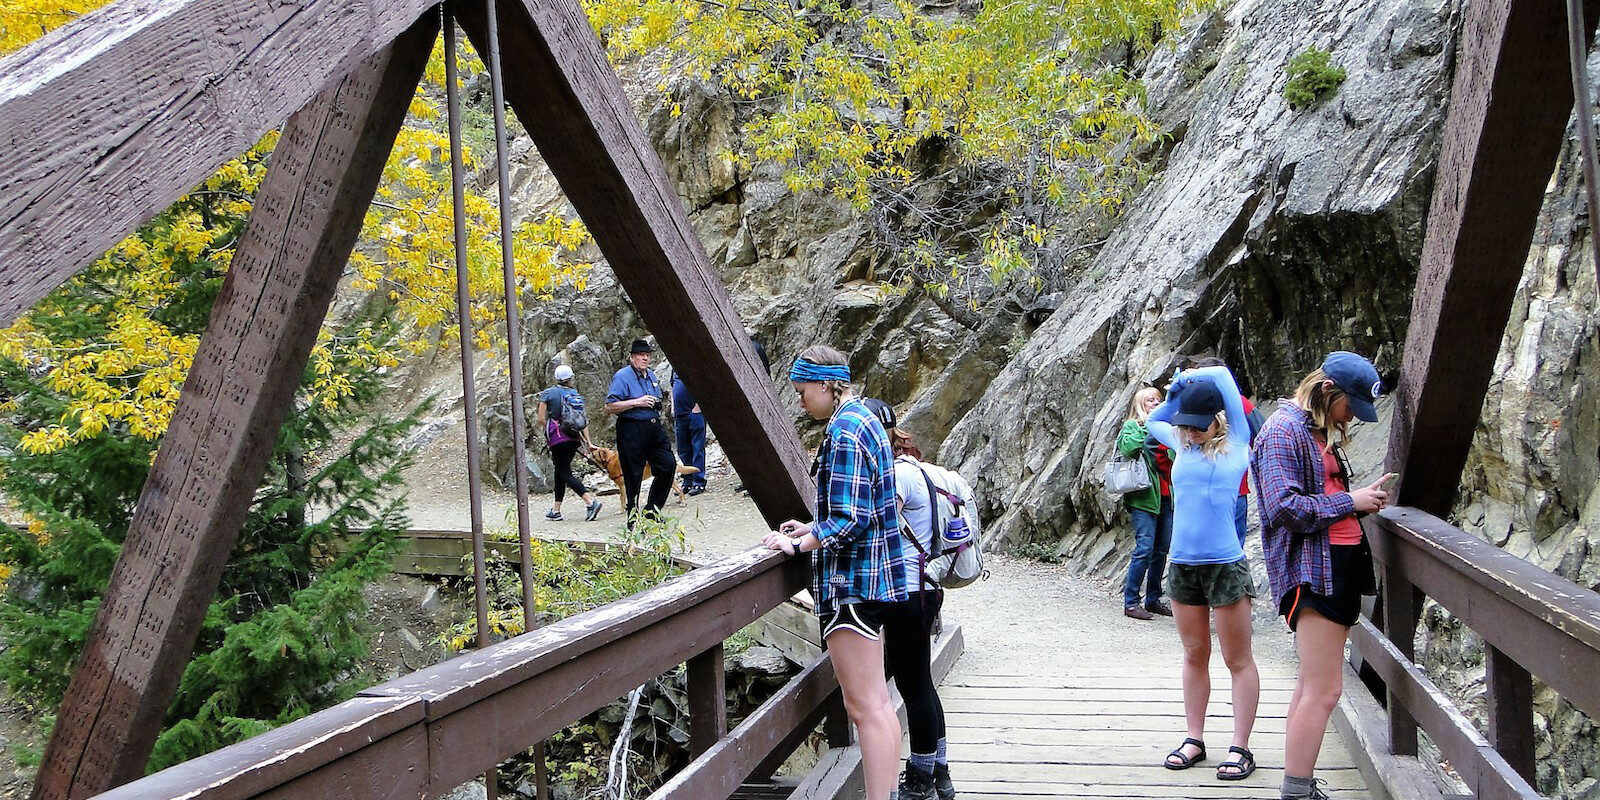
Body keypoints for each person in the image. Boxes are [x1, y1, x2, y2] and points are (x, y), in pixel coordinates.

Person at [763, 346, 906, 800]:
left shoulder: (844, 430)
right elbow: (855, 507)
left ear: (826, 384)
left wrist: (797, 543)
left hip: (852, 584)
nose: (801, 400)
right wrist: (813, 525)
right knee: (878, 705)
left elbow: (850, 518)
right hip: (875, 580)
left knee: (865, 708)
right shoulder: (865, 418)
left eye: (803, 390)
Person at [1251, 352, 1392, 800]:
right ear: (1327, 391)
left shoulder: (1313, 430)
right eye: (1349, 405)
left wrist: (1358, 498)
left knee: (1312, 686)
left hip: (1335, 566)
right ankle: (1296, 791)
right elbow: (1283, 508)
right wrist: (1352, 502)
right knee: (1326, 690)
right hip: (1314, 573)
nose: (1352, 416)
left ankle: (1300, 784)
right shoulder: (1281, 432)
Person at [1147, 365, 1261, 782]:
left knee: (1237, 658)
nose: (1191, 432)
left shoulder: (1238, 446)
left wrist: (1200, 375)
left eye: (1199, 426)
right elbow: (1154, 418)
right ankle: (1194, 738)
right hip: (1183, 566)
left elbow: (1227, 381)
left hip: (1225, 566)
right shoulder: (1180, 447)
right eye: (1186, 427)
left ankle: (1240, 746)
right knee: (1195, 655)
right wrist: (1179, 392)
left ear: (1218, 421)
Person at [864, 401, 955, 800]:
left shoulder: (895, 476)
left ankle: (920, 780)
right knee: (922, 683)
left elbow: (879, 528)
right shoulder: (921, 468)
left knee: (912, 684)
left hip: (906, 588)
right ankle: (939, 771)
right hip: (928, 585)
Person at [1188, 356, 1257, 548]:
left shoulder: (1240, 404)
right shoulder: (1239, 403)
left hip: (1228, 491)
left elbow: (1262, 440)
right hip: (1222, 490)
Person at [1117, 386, 1172, 620]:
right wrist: (1149, 425)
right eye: (1150, 400)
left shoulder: (1166, 429)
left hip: (1166, 496)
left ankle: (1153, 599)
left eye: (1158, 399)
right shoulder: (1133, 426)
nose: (1155, 403)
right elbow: (1128, 447)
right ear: (1140, 404)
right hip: (1143, 498)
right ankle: (1131, 602)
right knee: (1144, 549)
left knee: (1161, 550)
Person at [605, 339, 676, 520]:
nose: (645, 358)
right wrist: (637, 402)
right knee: (633, 473)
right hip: (632, 429)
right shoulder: (622, 376)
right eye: (640, 355)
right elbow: (610, 406)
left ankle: (652, 511)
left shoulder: (651, 375)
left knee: (668, 465)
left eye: (647, 355)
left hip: (653, 427)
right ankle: (633, 517)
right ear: (632, 357)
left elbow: (656, 397)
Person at [536, 365, 602, 521]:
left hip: (558, 438)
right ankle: (556, 510)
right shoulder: (575, 395)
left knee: (564, 473)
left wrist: (550, 429)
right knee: (560, 471)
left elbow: (540, 418)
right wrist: (588, 442)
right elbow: (583, 421)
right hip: (574, 438)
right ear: (571, 378)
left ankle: (590, 502)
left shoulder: (548, 394)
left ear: (556, 378)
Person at [671, 370, 707, 496]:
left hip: (694, 414)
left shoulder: (694, 364)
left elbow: (705, 384)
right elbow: (673, 386)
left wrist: (698, 407)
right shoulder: (674, 369)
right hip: (679, 415)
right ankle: (687, 481)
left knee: (697, 447)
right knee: (683, 450)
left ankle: (699, 481)